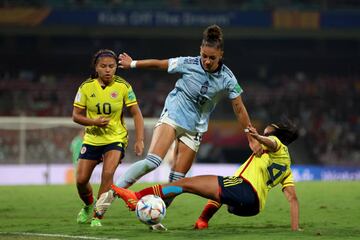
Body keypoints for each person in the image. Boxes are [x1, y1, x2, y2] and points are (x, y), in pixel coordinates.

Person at [98, 24, 262, 230]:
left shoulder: (228, 79)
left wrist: (249, 135)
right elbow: (159, 64)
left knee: (176, 182)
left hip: (195, 129)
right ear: (200, 51)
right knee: (152, 162)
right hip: (174, 116)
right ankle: (107, 199)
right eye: (204, 56)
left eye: (212, 57)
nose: (207, 61)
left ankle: (153, 218)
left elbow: (239, 108)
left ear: (221, 54)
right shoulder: (188, 63)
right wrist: (133, 64)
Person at [112, 120, 301, 231]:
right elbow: (292, 199)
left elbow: (273, 142)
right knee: (217, 191)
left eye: (269, 128)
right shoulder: (287, 167)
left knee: (186, 184)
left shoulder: (276, 144)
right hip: (252, 206)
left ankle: (136, 196)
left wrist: (258, 137)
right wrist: (295, 229)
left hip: (244, 189)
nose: (266, 129)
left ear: (276, 134)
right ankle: (202, 221)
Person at [72, 49, 144, 227]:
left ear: (116, 68)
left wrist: (140, 139)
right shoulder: (86, 87)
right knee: (81, 181)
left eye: (111, 66)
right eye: (103, 66)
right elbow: (76, 116)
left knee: (108, 174)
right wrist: (93, 122)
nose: (108, 70)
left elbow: (137, 114)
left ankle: (98, 215)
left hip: (115, 138)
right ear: (96, 67)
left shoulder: (123, 86)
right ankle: (89, 205)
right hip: (92, 139)